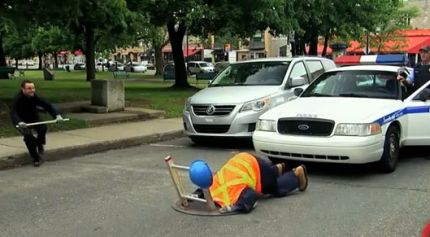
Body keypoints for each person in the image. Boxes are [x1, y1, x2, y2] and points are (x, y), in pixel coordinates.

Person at [189, 152, 308, 214]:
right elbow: (201, 190)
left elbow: (252, 196)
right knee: (268, 179)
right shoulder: (212, 180)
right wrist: (193, 196)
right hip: (244, 159)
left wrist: (235, 207)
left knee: (276, 190)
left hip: (257, 168)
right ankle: (276, 170)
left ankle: (297, 175)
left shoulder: (233, 194)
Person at [10, 80, 64, 167]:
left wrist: (57, 115)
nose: (32, 90)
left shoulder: (34, 96)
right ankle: (35, 158)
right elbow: (13, 113)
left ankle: (39, 143)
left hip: (34, 117)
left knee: (43, 128)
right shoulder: (17, 99)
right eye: (29, 88)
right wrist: (19, 122)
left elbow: (47, 105)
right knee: (28, 138)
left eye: (33, 88)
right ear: (23, 89)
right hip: (21, 121)